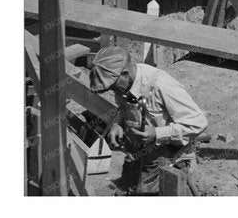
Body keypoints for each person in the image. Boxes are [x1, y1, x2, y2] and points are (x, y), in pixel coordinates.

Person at [88, 45, 208, 196]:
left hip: (171, 162)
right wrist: (118, 124)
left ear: (125, 73)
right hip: (140, 157)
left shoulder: (160, 84)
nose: (114, 91)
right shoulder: (124, 84)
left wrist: (157, 133)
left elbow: (199, 123)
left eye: (114, 87)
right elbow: (123, 107)